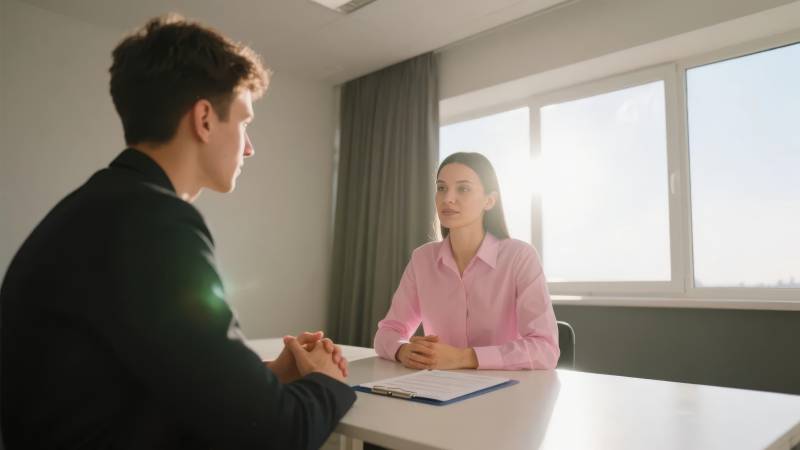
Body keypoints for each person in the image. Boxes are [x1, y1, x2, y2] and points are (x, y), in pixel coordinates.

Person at [0, 15, 355, 449]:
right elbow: (272, 435)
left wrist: (270, 376)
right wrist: (328, 382)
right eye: (244, 122)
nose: (249, 146)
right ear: (204, 119)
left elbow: (151, 380)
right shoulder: (153, 222)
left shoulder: (101, 208)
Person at [373, 152, 560, 370]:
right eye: (441, 188)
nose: (447, 198)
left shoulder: (520, 257)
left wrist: (464, 358)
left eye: (463, 188)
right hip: (438, 390)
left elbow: (545, 349)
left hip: (507, 392)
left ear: (489, 200)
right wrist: (403, 350)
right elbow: (387, 332)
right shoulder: (422, 259)